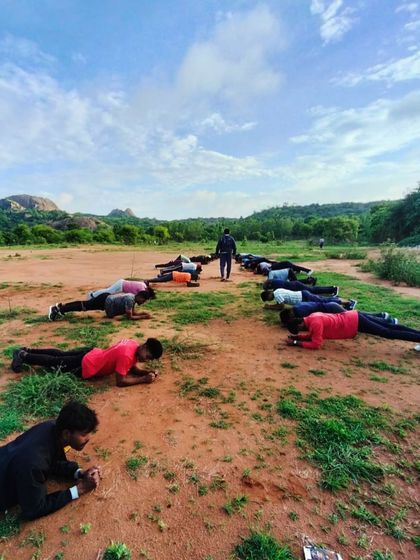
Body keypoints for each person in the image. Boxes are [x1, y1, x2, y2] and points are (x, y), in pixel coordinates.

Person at [0, 401, 99, 520]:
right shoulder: (34, 463)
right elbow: (34, 509)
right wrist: (80, 488)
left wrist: (79, 473)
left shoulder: (50, 427)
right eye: (84, 434)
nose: (88, 438)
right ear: (67, 433)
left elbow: (52, 462)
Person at [11, 338, 163, 387]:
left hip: (92, 353)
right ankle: (23, 355)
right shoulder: (127, 356)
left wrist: (146, 372)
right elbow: (120, 381)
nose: (146, 360)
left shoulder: (132, 344)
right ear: (144, 346)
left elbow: (131, 367)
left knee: (60, 355)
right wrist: (143, 380)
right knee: (54, 362)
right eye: (148, 356)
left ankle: (28, 350)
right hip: (87, 364)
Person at [285, 310, 420, 349]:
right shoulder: (312, 317)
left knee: (388, 333)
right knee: (390, 327)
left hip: (354, 323)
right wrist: (298, 338)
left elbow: (316, 343)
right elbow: (313, 335)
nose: (302, 332)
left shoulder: (315, 323)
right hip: (354, 316)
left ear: (299, 325)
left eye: (299, 331)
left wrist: (296, 344)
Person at [48, 291, 153, 322]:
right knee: (84, 306)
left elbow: (132, 313)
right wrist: (143, 317)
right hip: (104, 301)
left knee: (84, 305)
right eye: (143, 300)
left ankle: (62, 307)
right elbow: (129, 316)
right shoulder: (130, 300)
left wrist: (143, 314)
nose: (143, 302)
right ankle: (58, 309)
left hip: (106, 299)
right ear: (139, 296)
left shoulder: (132, 298)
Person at [279, 303, 398, 325]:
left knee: (358, 317)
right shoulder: (297, 307)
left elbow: (306, 323)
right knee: (357, 315)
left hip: (332, 309)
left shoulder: (300, 312)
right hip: (331, 306)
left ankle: (385, 320)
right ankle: (380, 315)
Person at [261, 288, 346, 309]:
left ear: (269, 295)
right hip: (302, 294)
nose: (270, 300)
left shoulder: (277, 296)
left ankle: (343, 302)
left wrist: (270, 307)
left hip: (303, 298)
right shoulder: (277, 291)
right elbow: (280, 304)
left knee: (322, 301)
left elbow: (281, 306)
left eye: (268, 299)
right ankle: (338, 300)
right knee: (321, 299)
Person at [88, 279, 154, 300]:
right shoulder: (142, 289)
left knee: (109, 292)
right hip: (121, 285)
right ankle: (92, 295)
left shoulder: (144, 285)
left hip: (122, 284)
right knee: (108, 291)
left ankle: (94, 294)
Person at [263, 279, 338, 295]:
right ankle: (331, 288)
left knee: (314, 290)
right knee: (314, 289)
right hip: (296, 284)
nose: (270, 289)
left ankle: (333, 289)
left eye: (268, 288)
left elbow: (276, 293)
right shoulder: (275, 281)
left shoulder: (276, 286)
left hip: (297, 287)